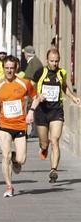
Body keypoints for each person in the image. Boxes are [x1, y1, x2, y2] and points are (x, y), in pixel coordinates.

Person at [32, 48, 81, 182]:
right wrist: (37, 95)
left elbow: (64, 86)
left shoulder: (61, 73)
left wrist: (73, 98)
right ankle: (43, 148)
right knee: (44, 143)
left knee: (54, 140)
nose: (54, 63)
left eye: (57, 61)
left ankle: (53, 170)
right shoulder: (40, 72)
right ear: (47, 60)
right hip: (41, 111)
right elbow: (30, 87)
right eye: (52, 61)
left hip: (56, 111)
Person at [0, 55, 38, 196]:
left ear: (17, 68)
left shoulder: (24, 83)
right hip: (4, 125)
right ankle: (9, 187)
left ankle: (15, 157)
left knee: (21, 160)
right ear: (3, 68)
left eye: (12, 68)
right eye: (6, 68)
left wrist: (31, 112)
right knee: (4, 156)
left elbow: (36, 98)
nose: (9, 71)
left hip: (20, 125)